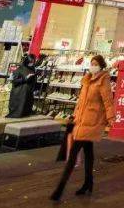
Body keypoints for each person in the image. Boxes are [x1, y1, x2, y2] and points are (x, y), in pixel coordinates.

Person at [50, 55, 114, 201]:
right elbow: (80, 102)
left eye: (95, 64)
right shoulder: (86, 80)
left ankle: (59, 189)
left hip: (91, 122)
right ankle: (88, 183)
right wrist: (74, 116)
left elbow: (108, 101)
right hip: (81, 121)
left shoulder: (103, 81)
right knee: (88, 152)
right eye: (92, 63)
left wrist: (111, 118)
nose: (93, 66)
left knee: (73, 155)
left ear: (101, 66)